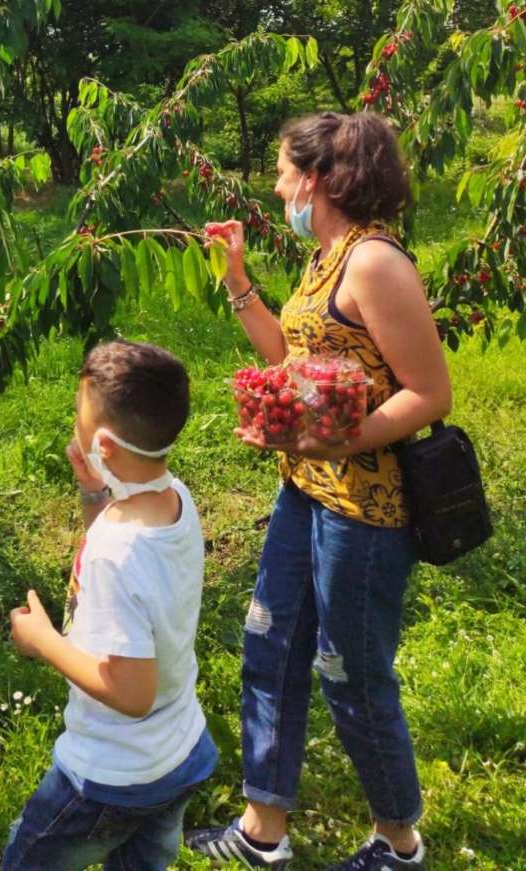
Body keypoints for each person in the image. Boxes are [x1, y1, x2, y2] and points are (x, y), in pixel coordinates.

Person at [186, 112, 452, 870]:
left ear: (320, 178)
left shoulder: (373, 262)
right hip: (306, 489)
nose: (276, 187)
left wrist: (334, 439)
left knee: (350, 672)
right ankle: (262, 826)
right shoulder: (325, 256)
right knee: (270, 644)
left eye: (282, 172)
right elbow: (292, 356)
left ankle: (399, 843)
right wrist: (237, 281)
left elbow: (430, 394)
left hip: (365, 509)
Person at [5, 340, 217, 871]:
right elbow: (130, 571)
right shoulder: (176, 501)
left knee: (27, 860)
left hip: (110, 777)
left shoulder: (115, 552)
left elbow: (131, 692)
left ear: (102, 442)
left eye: (77, 416)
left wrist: (45, 642)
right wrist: (94, 492)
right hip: (178, 752)